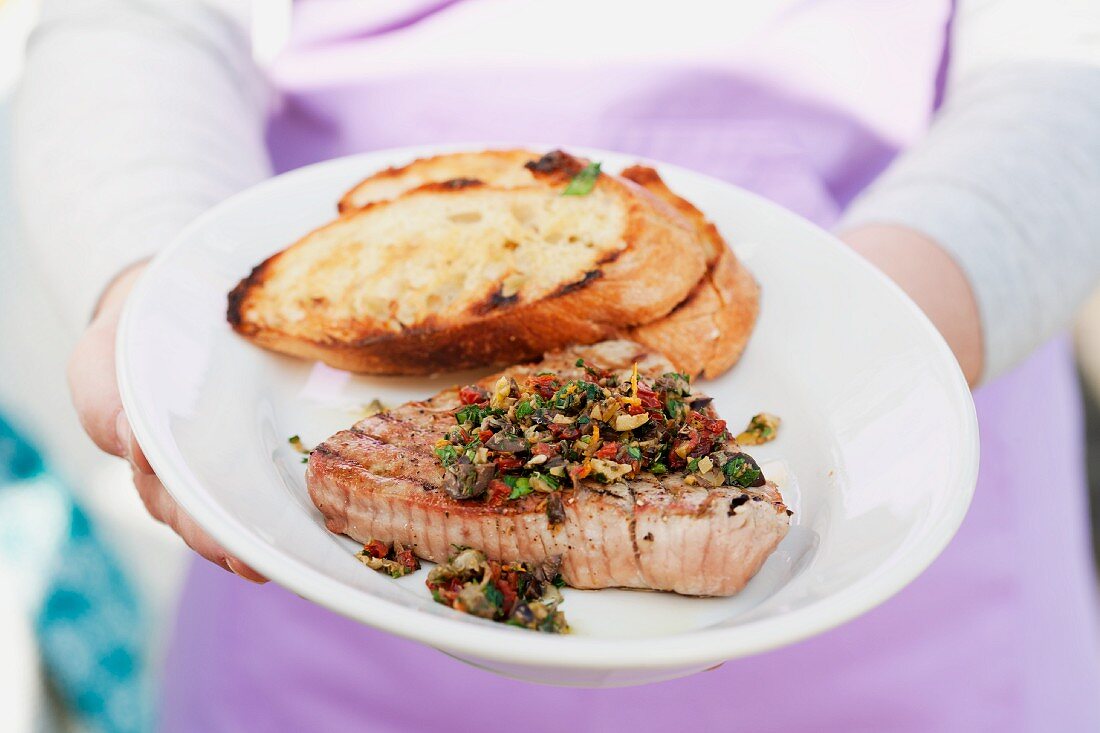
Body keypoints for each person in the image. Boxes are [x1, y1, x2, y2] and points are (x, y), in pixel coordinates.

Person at [14, 0, 1100, 730]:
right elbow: (137, 20)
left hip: (904, 592)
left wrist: (876, 342)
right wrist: (152, 284)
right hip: (318, 608)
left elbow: (1065, 74)